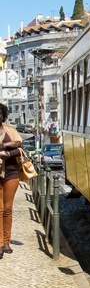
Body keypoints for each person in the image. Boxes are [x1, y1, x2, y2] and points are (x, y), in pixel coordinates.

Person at [0, 104, 22, 259]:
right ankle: (0, 242)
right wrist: (9, 145)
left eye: (1, 113)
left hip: (12, 173)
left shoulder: (10, 130)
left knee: (7, 209)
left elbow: (19, 147)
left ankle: (7, 241)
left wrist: (6, 150)